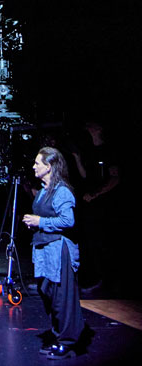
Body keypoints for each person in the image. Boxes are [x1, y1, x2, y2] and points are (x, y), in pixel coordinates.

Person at [23, 146, 85, 359]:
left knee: (61, 296)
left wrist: (40, 221)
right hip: (45, 247)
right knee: (46, 290)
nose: (34, 166)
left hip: (59, 249)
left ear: (48, 167)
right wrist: (35, 223)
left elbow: (68, 220)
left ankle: (66, 341)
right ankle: (59, 333)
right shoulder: (43, 190)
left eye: (37, 163)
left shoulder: (62, 191)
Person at [70, 117, 121, 295]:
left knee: (102, 243)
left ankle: (105, 281)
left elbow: (115, 178)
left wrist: (96, 194)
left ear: (99, 129)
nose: (88, 128)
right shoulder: (90, 151)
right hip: (89, 204)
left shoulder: (109, 151)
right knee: (89, 241)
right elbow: (85, 175)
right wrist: (77, 158)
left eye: (92, 126)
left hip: (103, 205)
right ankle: (92, 278)